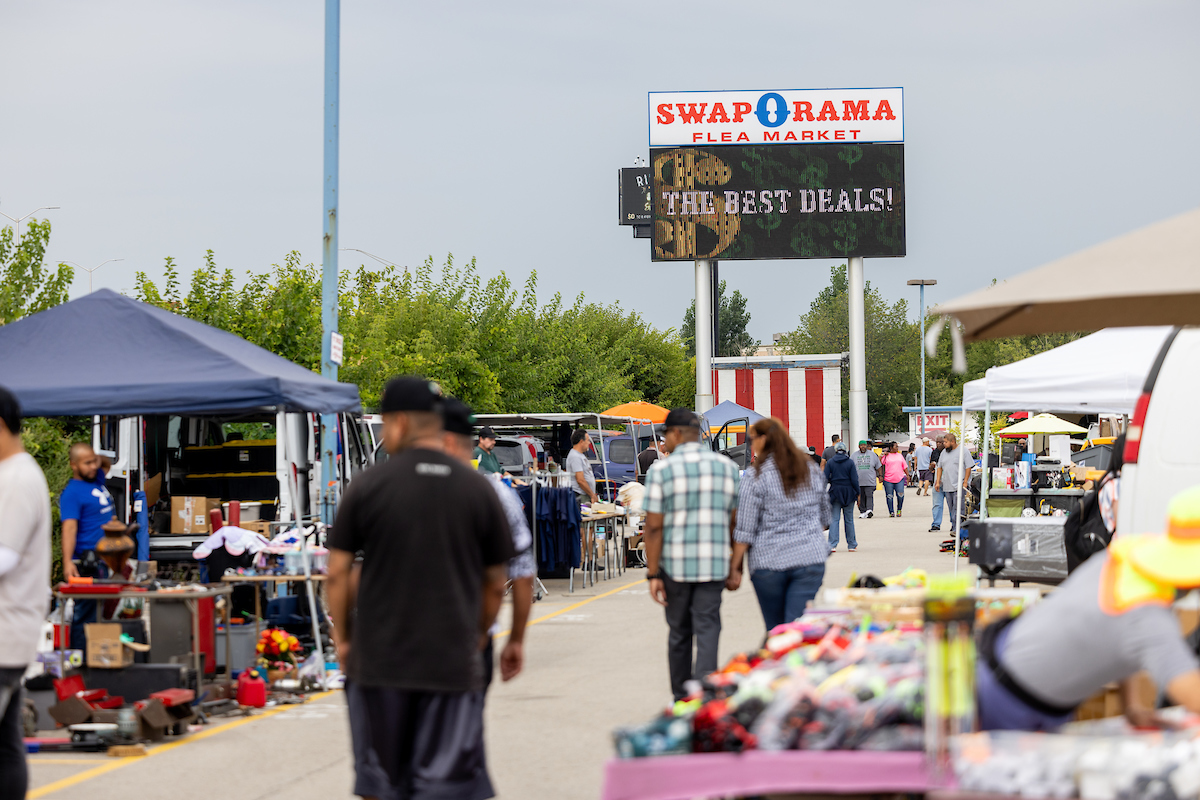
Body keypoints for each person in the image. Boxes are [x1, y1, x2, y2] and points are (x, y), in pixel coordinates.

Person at [327, 376, 514, 800]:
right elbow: (494, 582)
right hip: (451, 664)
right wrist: (475, 633)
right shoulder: (478, 489)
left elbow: (338, 573)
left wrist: (343, 640)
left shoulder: (369, 485)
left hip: (379, 665)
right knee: (446, 788)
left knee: (380, 782)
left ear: (398, 422)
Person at [977, 485, 1200, 731]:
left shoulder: (1132, 561)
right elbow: (1188, 691)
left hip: (1011, 674)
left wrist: (1133, 706)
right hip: (1009, 699)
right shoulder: (1147, 614)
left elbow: (1128, 641)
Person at [644, 408, 740, 701]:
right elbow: (735, 522)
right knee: (708, 628)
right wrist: (736, 566)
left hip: (675, 568)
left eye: (665, 437)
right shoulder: (727, 468)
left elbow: (654, 527)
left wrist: (653, 573)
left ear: (675, 434)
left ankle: (681, 698)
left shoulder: (661, 470)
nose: (664, 443)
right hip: (713, 566)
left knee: (679, 633)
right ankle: (705, 697)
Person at [442, 398, 534, 687]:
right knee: (465, 724)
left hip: (406, 637)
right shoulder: (492, 494)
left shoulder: (383, 486)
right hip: (471, 631)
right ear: (471, 441)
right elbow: (519, 572)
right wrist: (515, 639)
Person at [730, 417, 830, 631]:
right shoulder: (811, 470)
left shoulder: (755, 476)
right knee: (796, 627)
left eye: (752, 439)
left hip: (768, 563)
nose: (751, 444)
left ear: (764, 439)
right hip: (809, 560)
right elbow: (825, 518)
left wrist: (735, 567)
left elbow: (745, 528)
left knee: (777, 630)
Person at [0, 387, 51, 800]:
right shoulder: (17, 473)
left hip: (4, 631)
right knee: (6, 744)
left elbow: (4, 556)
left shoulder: (16, 478)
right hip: (12, 633)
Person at [59, 442, 117, 655]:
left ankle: (96, 658)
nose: (93, 466)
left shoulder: (95, 479)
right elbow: (69, 528)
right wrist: (67, 562)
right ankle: (79, 662)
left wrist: (93, 457)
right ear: (74, 465)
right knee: (85, 614)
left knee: (100, 614)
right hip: (87, 562)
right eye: (87, 463)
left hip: (105, 559)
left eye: (94, 461)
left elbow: (106, 463)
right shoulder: (72, 493)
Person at [824, 441, 859, 552]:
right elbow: (854, 479)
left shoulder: (830, 462)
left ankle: (832, 545)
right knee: (849, 519)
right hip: (849, 491)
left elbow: (824, 478)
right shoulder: (850, 462)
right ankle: (852, 545)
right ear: (845, 450)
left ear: (835, 451)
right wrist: (858, 492)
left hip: (835, 491)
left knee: (834, 519)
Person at [935, 432, 970, 536]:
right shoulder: (944, 453)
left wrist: (965, 482)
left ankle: (958, 529)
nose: (943, 444)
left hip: (959, 485)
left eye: (945, 442)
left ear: (953, 442)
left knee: (958, 508)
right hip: (947, 485)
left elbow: (968, 467)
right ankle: (954, 526)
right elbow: (939, 467)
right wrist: (937, 482)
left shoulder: (963, 451)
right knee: (951, 508)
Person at [565, 429, 599, 505]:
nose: (589, 443)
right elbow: (580, 480)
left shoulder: (580, 455)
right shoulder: (575, 456)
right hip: (580, 495)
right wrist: (592, 495)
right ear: (581, 441)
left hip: (585, 495)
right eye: (587, 440)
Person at [853, 441, 882, 519]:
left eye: (864, 445)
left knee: (869, 495)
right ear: (859, 446)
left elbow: (878, 466)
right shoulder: (854, 455)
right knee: (861, 496)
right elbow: (850, 467)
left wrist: (880, 476)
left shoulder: (873, 455)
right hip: (858, 481)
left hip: (870, 480)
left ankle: (869, 510)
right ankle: (862, 512)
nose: (863, 447)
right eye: (861, 445)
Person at [880, 442, 909, 518]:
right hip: (888, 479)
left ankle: (899, 510)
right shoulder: (886, 456)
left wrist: (908, 475)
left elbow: (904, 466)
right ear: (891, 448)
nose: (897, 448)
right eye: (896, 446)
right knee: (889, 496)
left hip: (899, 479)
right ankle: (891, 512)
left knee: (900, 495)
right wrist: (882, 455)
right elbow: (879, 463)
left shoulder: (900, 456)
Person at [929, 435, 946, 532]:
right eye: (937, 442)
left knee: (952, 505)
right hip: (937, 482)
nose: (938, 444)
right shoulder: (934, 452)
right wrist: (931, 465)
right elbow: (930, 468)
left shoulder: (949, 452)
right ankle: (936, 524)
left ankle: (954, 524)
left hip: (949, 482)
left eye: (940, 442)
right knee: (936, 504)